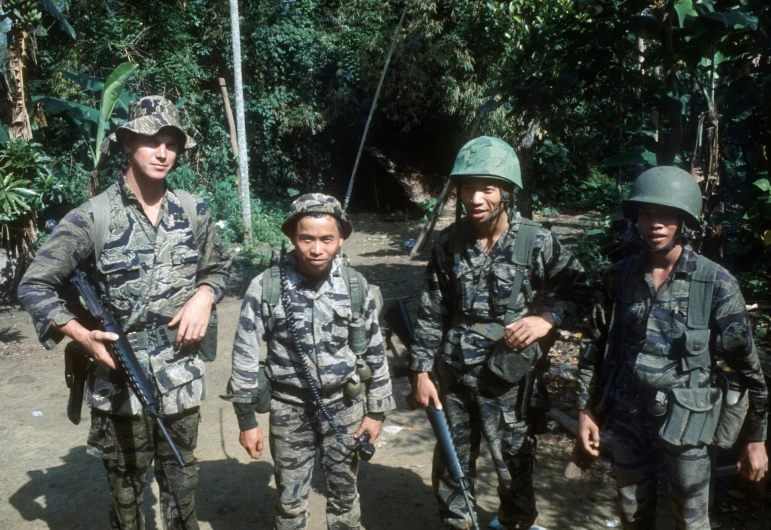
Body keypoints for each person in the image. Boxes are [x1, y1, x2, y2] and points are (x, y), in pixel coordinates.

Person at [18, 95, 230, 530]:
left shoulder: (193, 210)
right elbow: (34, 285)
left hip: (179, 373)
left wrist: (205, 294)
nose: (162, 152)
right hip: (118, 377)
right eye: (151, 141)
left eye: (170, 142)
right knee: (126, 493)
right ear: (128, 144)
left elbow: (219, 268)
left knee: (182, 484)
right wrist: (81, 334)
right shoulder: (91, 217)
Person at [410, 136, 591, 529]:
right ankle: (459, 522)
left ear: (506, 192)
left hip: (507, 377)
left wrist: (548, 318)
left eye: (487, 189)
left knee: (513, 462)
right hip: (453, 372)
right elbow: (431, 308)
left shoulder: (536, 241)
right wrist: (422, 371)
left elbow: (581, 290)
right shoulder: (447, 242)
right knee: (451, 461)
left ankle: (515, 523)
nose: (475, 199)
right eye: (468, 188)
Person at [576, 166, 768, 530]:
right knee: (632, 515)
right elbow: (597, 347)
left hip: (688, 424)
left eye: (667, 214)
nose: (655, 224)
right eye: (647, 213)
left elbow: (749, 370)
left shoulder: (716, 283)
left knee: (691, 519)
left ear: (684, 221)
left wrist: (757, 439)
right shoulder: (619, 276)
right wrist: (586, 410)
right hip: (629, 418)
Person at [224, 193, 395, 530]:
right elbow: (244, 353)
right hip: (289, 409)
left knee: (345, 499)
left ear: (341, 238)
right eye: (307, 238)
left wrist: (376, 412)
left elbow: (376, 351)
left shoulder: (355, 286)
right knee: (290, 503)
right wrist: (246, 419)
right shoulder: (267, 286)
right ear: (292, 237)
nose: (317, 249)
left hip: (344, 408)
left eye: (327, 239)